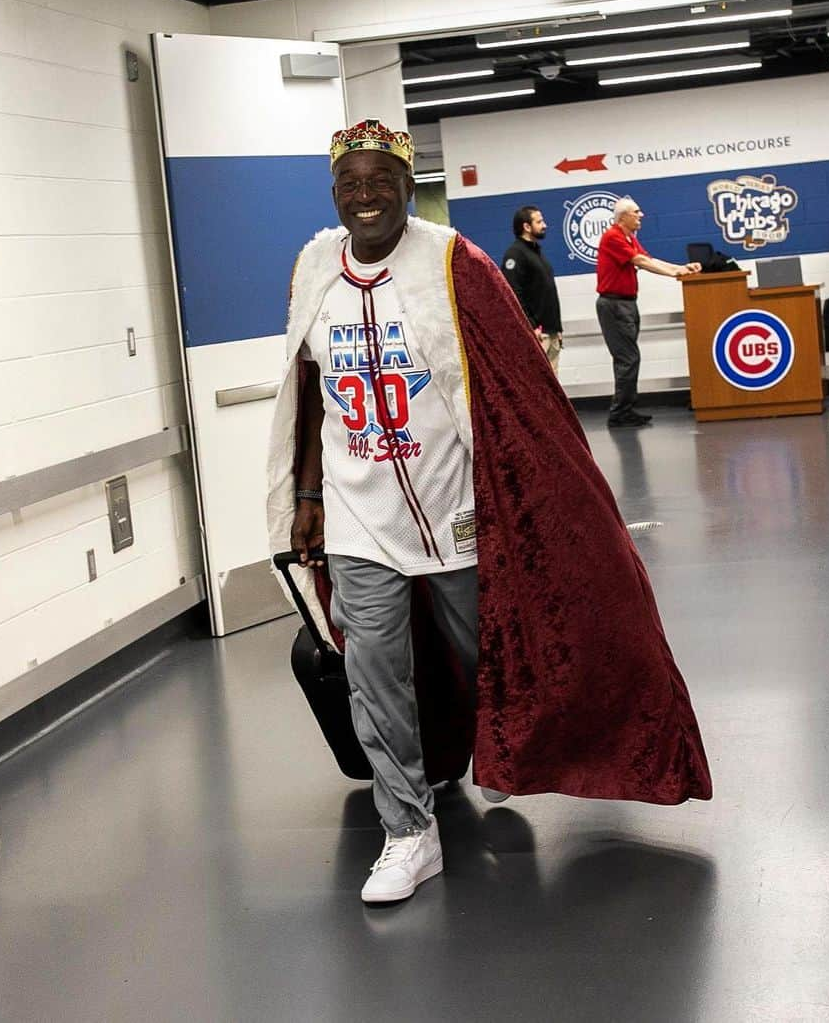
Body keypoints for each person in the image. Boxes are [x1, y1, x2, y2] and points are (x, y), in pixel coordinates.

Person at [266, 119, 711, 906]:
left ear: (408, 186)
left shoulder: (453, 262)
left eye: (381, 181)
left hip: (458, 505)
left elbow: (516, 394)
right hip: (358, 510)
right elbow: (308, 396)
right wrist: (306, 498)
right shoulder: (312, 268)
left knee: (491, 647)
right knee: (373, 670)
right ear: (334, 193)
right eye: (349, 183)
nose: (365, 197)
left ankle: (497, 749)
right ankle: (408, 830)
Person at [595, 196, 701, 428]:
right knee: (628, 358)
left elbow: (649, 259)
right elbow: (641, 261)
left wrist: (681, 269)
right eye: (636, 211)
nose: (641, 215)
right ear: (623, 217)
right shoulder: (612, 236)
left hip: (626, 304)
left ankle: (625, 409)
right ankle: (620, 413)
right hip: (614, 305)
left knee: (628, 358)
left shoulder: (628, 237)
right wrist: (675, 273)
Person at [501, 206, 564, 373]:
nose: (545, 225)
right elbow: (513, 294)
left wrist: (556, 328)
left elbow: (547, 293)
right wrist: (531, 326)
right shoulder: (515, 254)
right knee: (536, 383)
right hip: (535, 333)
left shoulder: (537, 253)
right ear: (526, 227)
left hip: (550, 332)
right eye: (539, 221)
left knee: (552, 388)